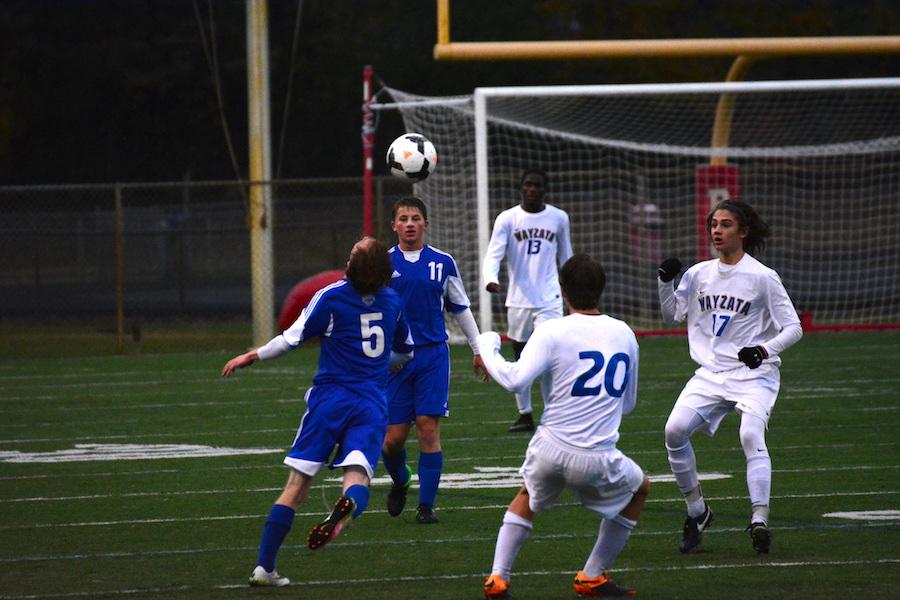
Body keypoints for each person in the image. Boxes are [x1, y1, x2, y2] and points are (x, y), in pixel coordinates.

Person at [222, 236, 414, 587]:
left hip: (330, 401)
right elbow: (405, 353)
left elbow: (290, 339)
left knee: (296, 485)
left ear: (350, 266)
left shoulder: (331, 296)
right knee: (357, 476)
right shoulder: (393, 302)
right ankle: (343, 511)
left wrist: (252, 355)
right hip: (371, 403)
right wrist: (381, 364)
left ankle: (265, 568)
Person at [477, 254, 649, 599]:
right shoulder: (625, 333)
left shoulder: (551, 330)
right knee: (640, 488)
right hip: (597, 457)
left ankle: (498, 577)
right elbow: (627, 404)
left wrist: (487, 345)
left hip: (550, 447)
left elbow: (515, 380)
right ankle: (592, 575)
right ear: (601, 290)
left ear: (562, 291)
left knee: (527, 495)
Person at [657, 199, 803, 555]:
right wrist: (664, 280)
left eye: (725, 224)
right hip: (710, 374)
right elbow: (671, 316)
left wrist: (764, 350)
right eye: (713, 224)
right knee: (673, 431)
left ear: (744, 231)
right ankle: (697, 512)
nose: (717, 231)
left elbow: (794, 327)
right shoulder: (697, 274)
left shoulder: (762, 277)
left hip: (754, 375)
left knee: (750, 433)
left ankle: (759, 519)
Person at [381, 196, 488, 524]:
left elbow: (459, 306)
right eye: (404, 218)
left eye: (416, 218)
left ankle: (426, 506)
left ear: (426, 224)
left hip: (432, 357)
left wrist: (478, 348)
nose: (410, 223)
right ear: (394, 225)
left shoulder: (442, 262)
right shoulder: (382, 263)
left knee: (428, 429)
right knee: (392, 440)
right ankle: (401, 480)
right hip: (396, 360)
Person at [482, 169, 573, 433]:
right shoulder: (507, 219)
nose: (532, 189)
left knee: (550, 357)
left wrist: (571, 290)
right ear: (521, 188)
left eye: (537, 185)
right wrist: (490, 277)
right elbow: (493, 253)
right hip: (518, 300)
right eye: (528, 184)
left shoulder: (558, 218)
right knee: (521, 358)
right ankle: (525, 414)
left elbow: (566, 256)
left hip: (550, 298)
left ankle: (552, 414)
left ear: (545, 189)